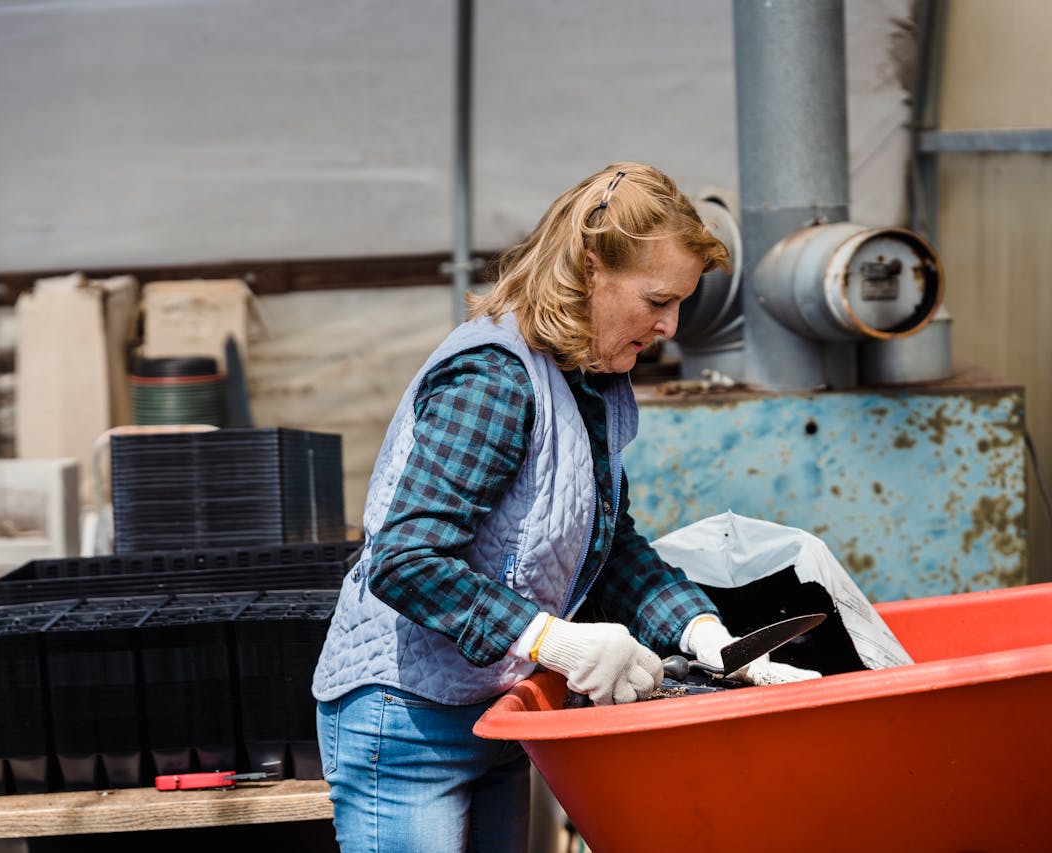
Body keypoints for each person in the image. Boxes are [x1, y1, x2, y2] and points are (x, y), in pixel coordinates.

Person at [311, 162, 820, 853]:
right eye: (657, 300)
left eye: (681, 305)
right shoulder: (494, 378)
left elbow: (611, 547)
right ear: (589, 269)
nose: (669, 325)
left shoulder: (590, 383)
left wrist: (708, 637)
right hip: (408, 725)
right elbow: (404, 560)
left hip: (498, 711)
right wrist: (557, 640)